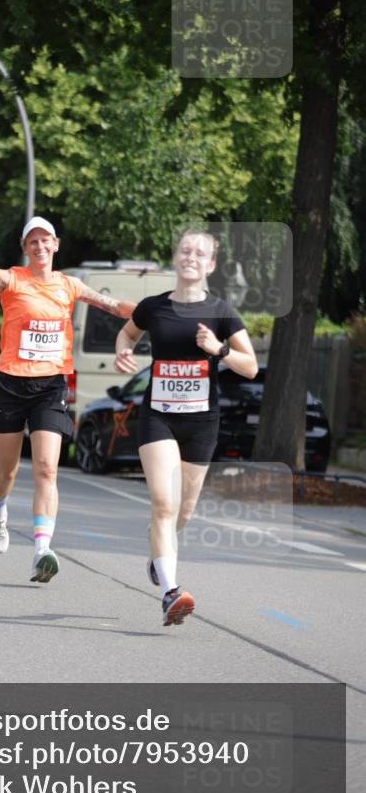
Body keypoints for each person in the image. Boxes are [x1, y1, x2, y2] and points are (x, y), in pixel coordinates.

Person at [0, 216, 136, 584]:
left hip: (50, 386)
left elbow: (115, 307)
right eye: (32, 241)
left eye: (45, 240)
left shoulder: (71, 285)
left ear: (56, 245)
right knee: (6, 470)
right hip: (9, 384)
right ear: (26, 248)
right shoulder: (10, 278)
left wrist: (161, 310)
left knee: (47, 469)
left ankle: (41, 549)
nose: (39, 246)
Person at [114, 229, 258, 626]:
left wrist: (220, 350)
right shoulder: (153, 307)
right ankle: (170, 592)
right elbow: (127, 333)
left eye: (200, 253)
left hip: (202, 422)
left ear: (210, 264)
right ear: (175, 258)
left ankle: (159, 556)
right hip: (158, 416)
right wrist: (123, 352)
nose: (191, 257)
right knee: (164, 503)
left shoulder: (221, 312)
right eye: (185, 250)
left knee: (185, 511)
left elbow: (251, 367)